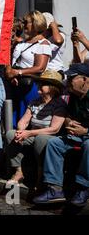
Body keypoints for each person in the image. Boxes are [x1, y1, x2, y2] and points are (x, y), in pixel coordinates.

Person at [33, 64, 89, 206]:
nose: (68, 81)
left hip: (87, 136)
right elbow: (68, 116)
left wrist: (86, 131)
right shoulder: (74, 96)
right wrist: (69, 122)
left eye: (72, 78)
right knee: (54, 143)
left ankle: (83, 188)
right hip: (77, 136)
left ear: (84, 79)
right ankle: (54, 189)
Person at [5, 70, 67, 186]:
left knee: (41, 139)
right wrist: (20, 130)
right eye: (39, 83)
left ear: (52, 88)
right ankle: (19, 171)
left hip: (51, 137)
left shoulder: (59, 104)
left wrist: (29, 133)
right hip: (33, 134)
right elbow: (24, 120)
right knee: (10, 134)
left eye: (43, 84)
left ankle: (40, 176)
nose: (39, 85)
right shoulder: (35, 102)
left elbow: (54, 129)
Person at [6, 11, 52, 128]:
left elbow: (39, 67)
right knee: (12, 118)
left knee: (26, 118)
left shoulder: (43, 44)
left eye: (27, 22)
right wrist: (10, 74)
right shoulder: (23, 42)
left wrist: (18, 73)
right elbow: (12, 61)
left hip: (30, 87)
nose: (24, 25)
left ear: (36, 24)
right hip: (15, 85)